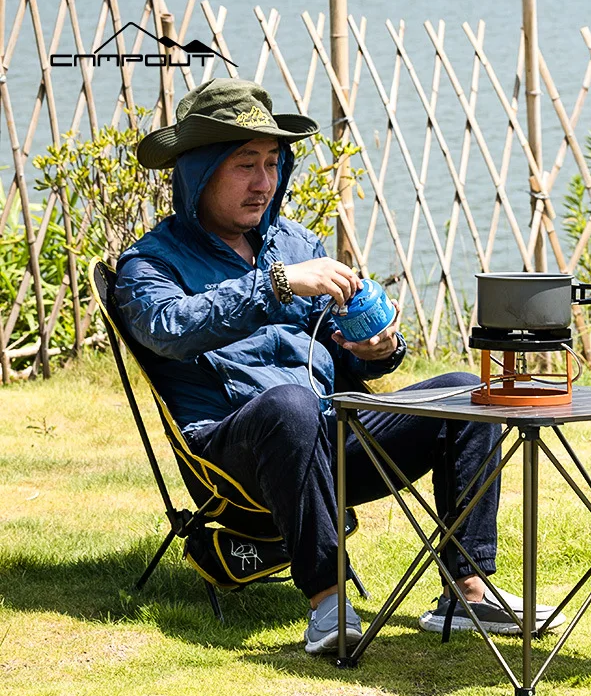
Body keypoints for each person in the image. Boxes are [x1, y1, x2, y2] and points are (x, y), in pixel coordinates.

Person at [115, 78, 565, 654]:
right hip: (235, 453)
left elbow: (337, 338)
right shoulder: (151, 263)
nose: (263, 183)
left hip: (332, 435)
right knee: (289, 404)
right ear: (198, 172)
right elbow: (168, 330)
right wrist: (273, 287)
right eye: (244, 165)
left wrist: (379, 347)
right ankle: (329, 604)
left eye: (273, 163)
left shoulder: (294, 244)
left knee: (463, 392)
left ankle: (467, 594)